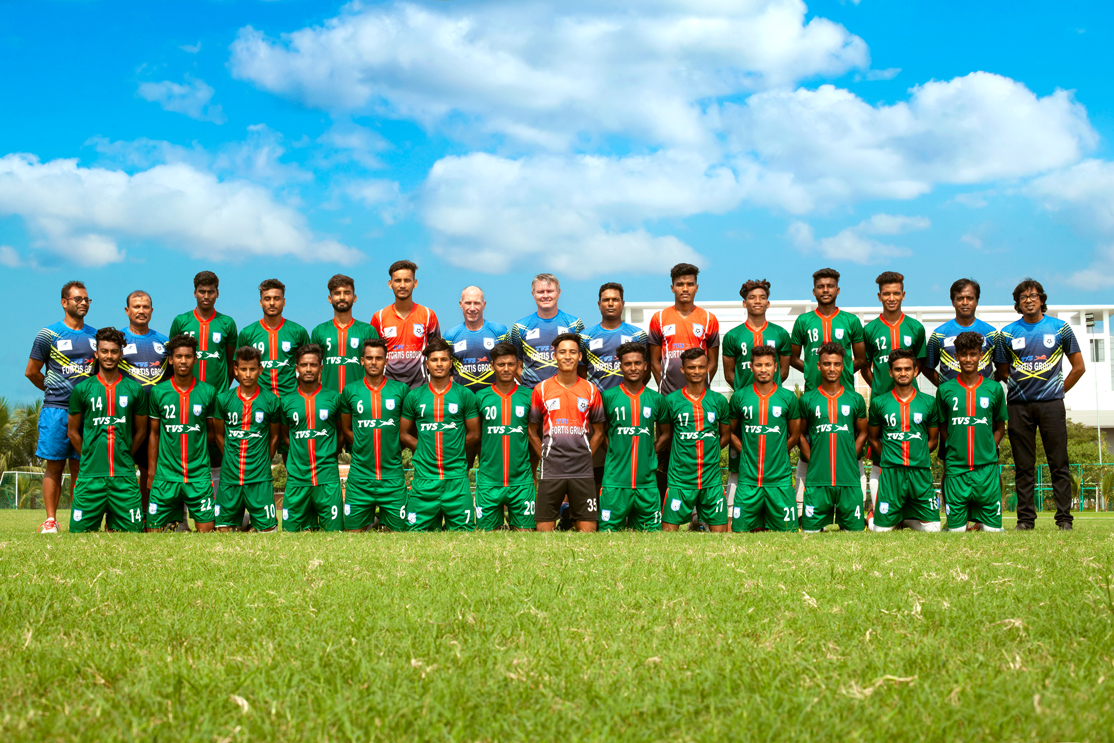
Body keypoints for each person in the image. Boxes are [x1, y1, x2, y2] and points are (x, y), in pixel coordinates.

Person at [994, 278, 1086, 531]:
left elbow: (1079, 368)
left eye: (1033, 295)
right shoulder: (1007, 333)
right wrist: (1023, 388)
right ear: (1017, 303)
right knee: (1023, 466)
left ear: (1042, 299)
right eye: (1023, 297)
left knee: (1059, 463)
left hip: (1051, 406)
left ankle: (1064, 519)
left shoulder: (1060, 328)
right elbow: (1002, 371)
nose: (1029, 300)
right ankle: (1025, 520)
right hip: (1018, 407)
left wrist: (1057, 391)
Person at [790, 268, 866, 516]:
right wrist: (811, 369)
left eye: (830, 286)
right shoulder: (803, 321)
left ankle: (857, 504)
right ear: (814, 291)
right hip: (814, 396)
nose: (825, 290)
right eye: (821, 286)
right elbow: (792, 357)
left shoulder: (850, 321)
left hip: (844, 396)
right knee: (809, 450)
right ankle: (803, 508)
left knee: (849, 447)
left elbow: (861, 358)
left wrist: (843, 371)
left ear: (838, 290)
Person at [25, 280, 97, 533]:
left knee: (81, 467)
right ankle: (50, 520)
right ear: (64, 302)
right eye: (78, 299)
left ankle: (78, 520)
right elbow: (31, 372)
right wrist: (53, 390)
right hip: (56, 411)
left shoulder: (96, 336)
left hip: (88, 412)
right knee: (54, 466)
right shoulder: (48, 334)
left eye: (86, 299)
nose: (83, 303)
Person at [648, 264, 720, 502]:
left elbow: (712, 362)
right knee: (666, 450)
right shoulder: (659, 318)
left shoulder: (709, 319)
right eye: (680, 284)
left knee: (699, 449)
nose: (685, 288)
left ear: (697, 287)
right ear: (672, 287)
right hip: (669, 398)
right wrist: (667, 389)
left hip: (700, 400)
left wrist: (699, 388)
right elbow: (655, 361)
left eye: (689, 284)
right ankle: (665, 506)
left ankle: (699, 510)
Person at [66, 328, 148, 533]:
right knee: (78, 535)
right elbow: (72, 432)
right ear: (96, 353)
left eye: (113, 351)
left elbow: (141, 431)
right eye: (104, 351)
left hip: (124, 477)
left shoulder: (134, 389)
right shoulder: (82, 389)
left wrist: (127, 452)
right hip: (90, 477)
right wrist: (88, 455)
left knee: (134, 534)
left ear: (121, 354)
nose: (109, 356)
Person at [721, 279, 791, 514]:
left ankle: (771, 511)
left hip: (773, 408)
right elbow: (729, 373)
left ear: (768, 303)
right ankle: (734, 511)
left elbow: (784, 371)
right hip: (745, 408)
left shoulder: (780, 333)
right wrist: (745, 394)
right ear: (744, 303)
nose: (757, 301)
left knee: (773, 459)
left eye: (762, 297)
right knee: (739, 461)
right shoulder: (733, 335)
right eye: (752, 298)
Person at [861, 271, 927, 517]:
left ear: (903, 295)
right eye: (886, 294)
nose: (891, 298)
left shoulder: (916, 328)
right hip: (882, 405)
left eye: (896, 293)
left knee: (911, 453)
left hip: (911, 404)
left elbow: (920, 365)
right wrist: (879, 388)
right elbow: (865, 367)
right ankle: (877, 510)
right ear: (879, 296)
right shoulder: (870, 329)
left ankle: (910, 510)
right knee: (880, 457)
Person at [399, 338, 481, 531]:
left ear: (450, 363)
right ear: (427, 364)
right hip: (424, 480)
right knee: (415, 536)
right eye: (434, 360)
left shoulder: (465, 395)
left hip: (456, 479)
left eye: (443, 359)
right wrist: (423, 449)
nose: (439, 364)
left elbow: (475, 434)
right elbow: (404, 434)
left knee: (464, 536)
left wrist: (454, 448)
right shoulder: (414, 396)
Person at [528, 333, 605, 532]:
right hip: (551, 468)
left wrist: (586, 455)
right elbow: (532, 431)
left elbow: (599, 431)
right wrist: (544, 457)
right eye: (562, 352)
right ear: (554, 356)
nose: (567, 356)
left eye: (572, 352)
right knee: (544, 530)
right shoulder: (541, 389)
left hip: (582, 469)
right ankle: (564, 514)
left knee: (588, 530)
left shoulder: (591, 390)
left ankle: (568, 515)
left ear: (580, 356)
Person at [936, 332, 1008, 532]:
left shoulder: (994, 389)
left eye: (973, 354)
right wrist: (954, 448)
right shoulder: (945, 390)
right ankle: (958, 522)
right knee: (956, 531)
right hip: (956, 469)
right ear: (956, 356)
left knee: (993, 531)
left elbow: (1000, 427)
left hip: (986, 469)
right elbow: (943, 427)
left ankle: (982, 521)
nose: (968, 359)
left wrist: (988, 448)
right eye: (963, 354)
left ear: (981, 356)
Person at [146, 335, 218, 532]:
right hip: (165, 475)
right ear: (171, 360)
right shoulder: (158, 392)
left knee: (207, 532)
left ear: (195, 359)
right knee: (153, 532)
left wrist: (196, 449)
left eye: (188, 356)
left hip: (198, 476)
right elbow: (154, 434)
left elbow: (211, 433)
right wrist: (152, 472)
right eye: (178, 356)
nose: (183, 361)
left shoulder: (208, 392)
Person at [339, 339, 410, 532]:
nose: (373, 362)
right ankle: (374, 521)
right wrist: (360, 445)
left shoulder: (401, 390)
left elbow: (406, 431)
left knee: (400, 535)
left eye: (378, 358)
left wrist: (393, 447)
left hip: (393, 476)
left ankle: (379, 521)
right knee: (353, 535)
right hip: (360, 477)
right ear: (362, 360)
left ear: (386, 361)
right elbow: (346, 429)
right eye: (369, 358)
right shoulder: (350, 391)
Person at [728, 345, 801, 533]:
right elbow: (730, 432)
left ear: (775, 367)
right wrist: (745, 451)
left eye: (768, 365)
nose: (763, 369)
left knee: (788, 533)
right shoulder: (739, 397)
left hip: (779, 480)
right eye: (758, 365)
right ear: (751, 367)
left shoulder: (788, 397)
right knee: (740, 531)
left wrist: (779, 451)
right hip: (748, 480)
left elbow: (795, 434)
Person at [866, 349, 941, 532]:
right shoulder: (879, 403)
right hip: (891, 474)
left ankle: (905, 520)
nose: (903, 373)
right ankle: (872, 517)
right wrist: (890, 457)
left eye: (907, 369)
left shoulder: (929, 402)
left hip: (920, 473)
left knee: (933, 529)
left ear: (915, 371)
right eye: (898, 369)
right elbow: (873, 438)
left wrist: (918, 456)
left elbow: (933, 440)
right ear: (890, 372)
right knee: (881, 532)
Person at [658, 348, 731, 533]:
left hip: (711, 478)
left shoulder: (719, 401)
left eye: (701, 367)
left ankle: (697, 520)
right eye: (691, 367)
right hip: (680, 478)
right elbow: (665, 435)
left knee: (721, 535)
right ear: (683, 369)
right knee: (667, 534)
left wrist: (711, 451)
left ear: (707, 368)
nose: (697, 371)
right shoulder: (670, 401)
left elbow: (725, 436)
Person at [798, 343, 868, 532]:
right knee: (810, 533)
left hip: (848, 479)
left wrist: (851, 456)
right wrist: (812, 458)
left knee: (854, 534)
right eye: (827, 364)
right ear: (818, 366)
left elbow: (863, 432)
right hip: (817, 480)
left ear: (843, 366)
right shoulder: (807, 400)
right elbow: (799, 434)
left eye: (837, 364)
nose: (832, 368)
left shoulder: (855, 399)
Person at [212, 347, 281, 533]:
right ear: (235, 371)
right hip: (230, 476)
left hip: (259, 476)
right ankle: (243, 520)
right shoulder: (223, 399)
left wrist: (264, 459)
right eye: (243, 369)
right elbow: (218, 434)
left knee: (268, 532)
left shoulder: (271, 400)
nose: (248, 374)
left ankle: (252, 520)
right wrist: (229, 456)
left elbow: (275, 436)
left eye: (252, 369)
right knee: (223, 531)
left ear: (260, 370)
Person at [599, 342, 666, 531]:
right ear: (620, 366)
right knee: (608, 534)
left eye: (637, 363)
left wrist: (651, 449)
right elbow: (600, 432)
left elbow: (666, 433)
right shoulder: (608, 397)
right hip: (615, 481)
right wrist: (613, 449)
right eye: (628, 364)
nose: (633, 368)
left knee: (651, 536)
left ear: (645, 366)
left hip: (647, 482)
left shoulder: (656, 399)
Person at [279, 344, 344, 531]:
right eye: (304, 365)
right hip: (297, 479)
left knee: (334, 534)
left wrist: (328, 454)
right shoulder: (286, 401)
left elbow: (340, 434)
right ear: (296, 368)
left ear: (321, 368)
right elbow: (285, 437)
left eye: (313, 365)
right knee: (290, 536)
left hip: (327, 479)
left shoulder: (334, 398)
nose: (308, 369)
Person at [474, 342, 536, 531]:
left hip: (521, 481)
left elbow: (534, 435)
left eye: (510, 364)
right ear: (492, 366)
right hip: (489, 481)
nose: (506, 369)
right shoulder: (480, 397)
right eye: (501, 364)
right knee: (488, 536)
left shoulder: (529, 396)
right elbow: (476, 437)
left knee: (526, 535)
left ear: (518, 365)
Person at [118, 290, 169, 510]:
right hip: (124, 418)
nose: (141, 311)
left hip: (154, 419)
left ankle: (148, 516)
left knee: (150, 470)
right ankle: (121, 515)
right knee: (121, 468)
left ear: (152, 310)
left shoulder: (163, 342)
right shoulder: (117, 340)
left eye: (145, 306)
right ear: (127, 310)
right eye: (136, 306)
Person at [370, 260, 441, 389]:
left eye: (407, 280)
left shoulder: (428, 315)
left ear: (415, 283)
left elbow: (437, 353)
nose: (402, 285)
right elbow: (372, 355)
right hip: (388, 388)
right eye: (398, 281)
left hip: (420, 387)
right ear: (390, 284)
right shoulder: (379, 317)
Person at [238, 279, 311, 399]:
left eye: (276, 298)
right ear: (261, 302)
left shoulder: (298, 332)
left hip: (290, 399)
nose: (272, 303)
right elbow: (238, 369)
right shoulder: (247, 333)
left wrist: (295, 391)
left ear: (284, 302)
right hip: (260, 400)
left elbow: (309, 366)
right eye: (267, 299)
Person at [511, 273, 585, 389]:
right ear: (533, 294)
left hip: (566, 392)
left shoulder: (575, 324)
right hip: (532, 394)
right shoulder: (520, 327)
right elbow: (515, 363)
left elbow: (582, 363)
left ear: (559, 293)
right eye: (540, 292)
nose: (545, 296)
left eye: (550, 291)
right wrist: (531, 387)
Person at [168, 271, 238, 390]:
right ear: (195, 293)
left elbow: (232, 364)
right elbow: (171, 359)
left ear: (217, 293)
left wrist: (222, 392)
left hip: (218, 395)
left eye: (210, 292)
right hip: (188, 394)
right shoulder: (180, 321)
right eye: (202, 291)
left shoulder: (227, 323)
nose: (206, 296)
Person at [310, 274, 379, 394]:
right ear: (330, 298)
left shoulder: (368, 330)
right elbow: (312, 367)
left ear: (354, 297)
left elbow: (376, 367)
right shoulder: (319, 331)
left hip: (359, 397)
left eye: (347, 293)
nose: (342, 297)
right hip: (328, 398)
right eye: (337, 293)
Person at [924, 278, 999, 386]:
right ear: (953, 302)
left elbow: (1003, 367)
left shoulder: (991, 333)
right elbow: (927, 367)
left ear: (977, 301)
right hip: (951, 396)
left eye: (970, 298)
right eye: (960, 298)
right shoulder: (939, 334)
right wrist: (945, 389)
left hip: (983, 396)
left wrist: (987, 387)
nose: (965, 302)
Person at [581, 282, 650, 392]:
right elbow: (580, 371)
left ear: (622, 304)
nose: (610, 304)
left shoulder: (638, 335)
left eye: (615, 300)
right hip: (597, 399)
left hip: (627, 398)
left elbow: (647, 370)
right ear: (599, 304)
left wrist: (630, 392)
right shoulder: (584, 336)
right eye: (606, 300)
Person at [443, 286, 509, 392]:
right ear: (461, 304)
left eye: (477, 303)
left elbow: (510, 366)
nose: (472, 308)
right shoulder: (449, 337)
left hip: (493, 397)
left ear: (484, 305)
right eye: (468, 303)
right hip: (462, 398)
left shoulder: (500, 332)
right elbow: (445, 372)